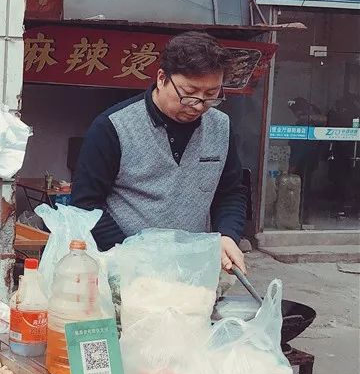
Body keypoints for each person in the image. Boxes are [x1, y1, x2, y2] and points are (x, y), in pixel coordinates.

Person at [72, 31, 248, 273]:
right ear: (162, 78)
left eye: (210, 95)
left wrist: (228, 235)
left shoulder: (221, 126)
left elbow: (230, 193)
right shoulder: (113, 126)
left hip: (193, 271)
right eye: (189, 93)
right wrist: (129, 255)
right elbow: (86, 204)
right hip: (124, 269)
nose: (198, 105)